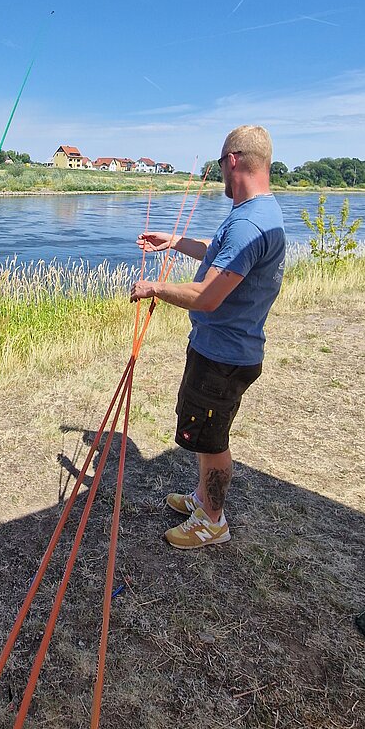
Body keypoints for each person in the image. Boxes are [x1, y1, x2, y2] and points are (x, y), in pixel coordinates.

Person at [130, 125, 285, 549]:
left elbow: (207, 297)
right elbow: (220, 253)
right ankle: (202, 499)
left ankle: (213, 521)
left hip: (223, 356)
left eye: (219, 165)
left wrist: (154, 287)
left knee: (212, 441)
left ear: (232, 160)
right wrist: (175, 242)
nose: (219, 174)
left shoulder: (249, 222)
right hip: (224, 349)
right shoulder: (259, 212)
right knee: (203, 432)